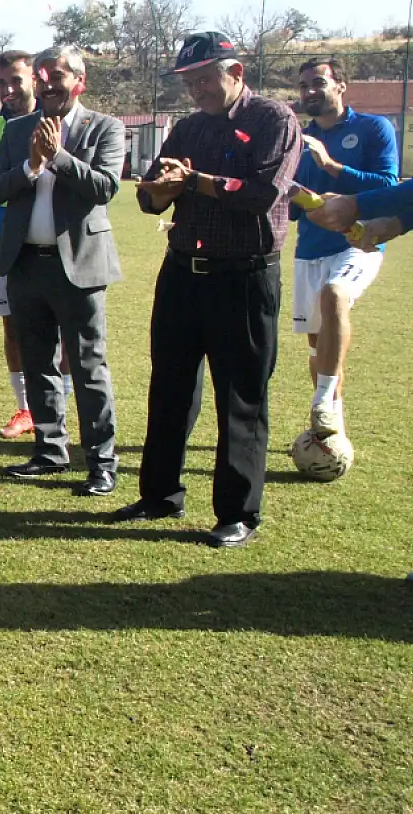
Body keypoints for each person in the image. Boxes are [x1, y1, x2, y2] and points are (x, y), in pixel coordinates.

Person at [117, 32, 302, 548]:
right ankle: (158, 496)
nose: (196, 90)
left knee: (240, 396)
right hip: (182, 272)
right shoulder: (190, 127)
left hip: (243, 276)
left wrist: (194, 180)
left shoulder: (274, 120)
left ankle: (237, 513)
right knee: (170, 388)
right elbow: (152, 199)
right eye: (189, 81)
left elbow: (263, 194)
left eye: (204, 78)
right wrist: (158, 190)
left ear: (235, 72)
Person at [0, 47, 126, 497]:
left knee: (87, 366)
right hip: (26, 264)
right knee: (38, 361)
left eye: (57, 75)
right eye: (41, 77)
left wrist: (59, 157)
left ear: (79, 79)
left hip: (79, 267)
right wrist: (31, 165)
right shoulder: (18, 128)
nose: (47, 84)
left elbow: (104, 187)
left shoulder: (105, 126)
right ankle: (50, 450)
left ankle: (101, 462)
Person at [287, 58, 399, 439]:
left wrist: (334, 167)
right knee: (320, 346)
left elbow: (389, 185)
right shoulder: (298, 138)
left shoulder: (374, 128)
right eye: (303, 86)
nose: (309, 91)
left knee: (334, 296)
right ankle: (332, 422)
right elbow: (290, 200)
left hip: (358, 244)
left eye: (318, 82)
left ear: (341, 85)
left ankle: (321, 402)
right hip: (310, 249)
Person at [0, 50, 54, 439]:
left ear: (35, 79)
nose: (9, 89)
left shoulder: (55, 120)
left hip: (53, 239)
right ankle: (26, 409)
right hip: (5, 236)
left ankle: (61, 411)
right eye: (1, 83)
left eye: (16, 80)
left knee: (61, 331)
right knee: (13, 328)